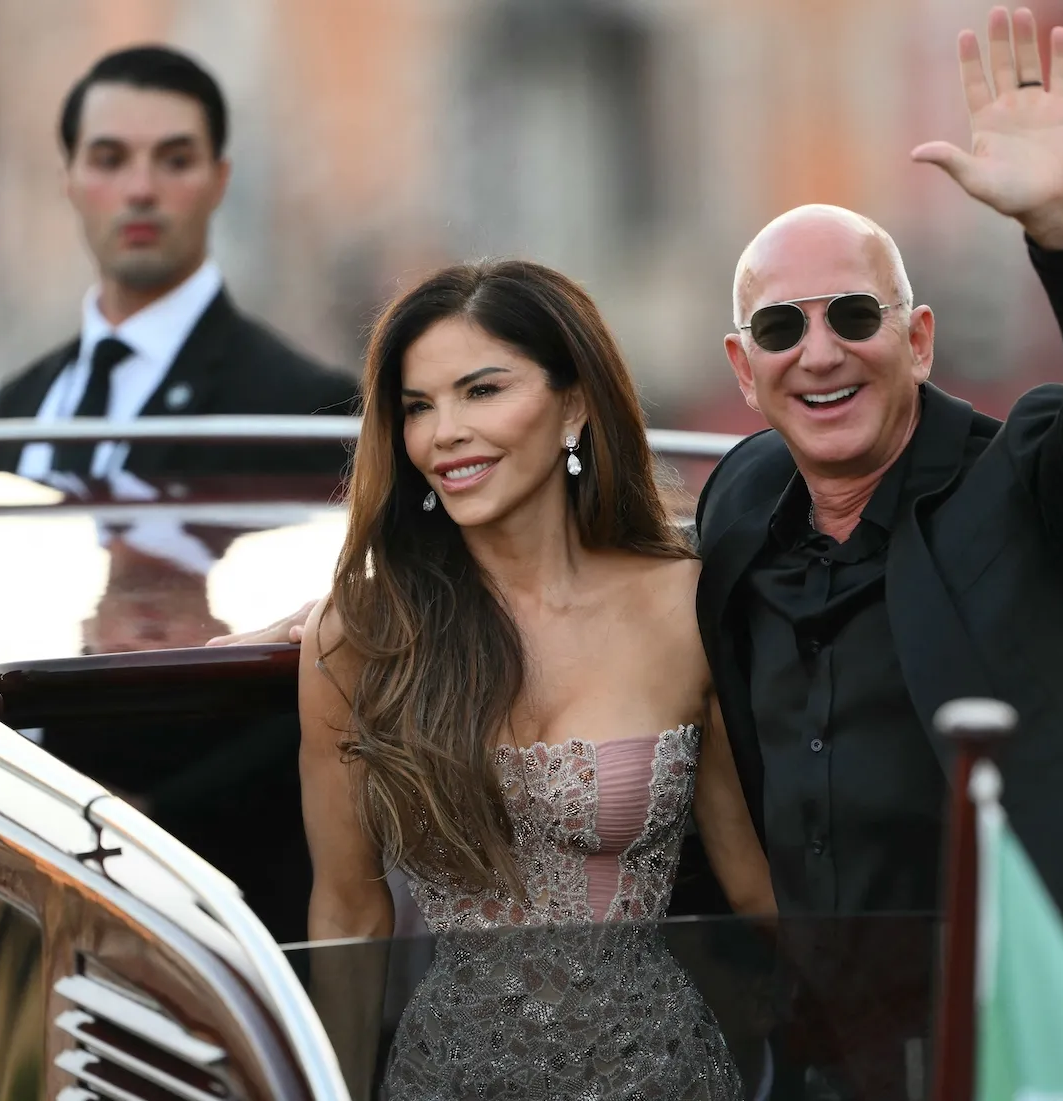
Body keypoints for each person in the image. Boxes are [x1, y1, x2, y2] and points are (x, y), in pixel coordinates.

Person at [215, 5, 1063, 1091]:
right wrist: (350, 608)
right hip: (832, 1056)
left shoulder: (1026, 487)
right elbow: (586, 569)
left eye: (854, 316)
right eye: (781, 329)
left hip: (1040, 1031)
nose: (819, 353)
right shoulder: (742, 509)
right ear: (743, 371)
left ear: (918, 338)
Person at [297, 260, 775, 1099]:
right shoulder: (363, 636)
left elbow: (754, 889)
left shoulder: (682, 606)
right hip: (447, 1082)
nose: (444, 432)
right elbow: (347, 915)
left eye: (481, 391)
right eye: (417, 406)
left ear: (574, 405)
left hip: (654, 1077)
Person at [0, 45, 355, 481]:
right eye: (109, 160)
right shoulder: (13, 410)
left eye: (176, 161)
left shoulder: (307, 414)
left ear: (220, 180)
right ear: (68, 181)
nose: (141, 190)